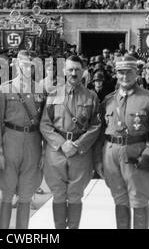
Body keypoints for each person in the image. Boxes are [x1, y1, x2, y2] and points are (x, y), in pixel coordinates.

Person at [98, 54, 149, 229]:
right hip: (112, 154)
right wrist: (99, 159)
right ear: (116, 74)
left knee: (139, 199)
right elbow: (100, 130)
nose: (124, 76)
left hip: (137, 154)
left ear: (136, 73)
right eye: (121, 72)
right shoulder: (108, 100)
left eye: (128, 72)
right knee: (120, 199)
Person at [40, 55, 102, 229]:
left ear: (83, 72)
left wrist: (78, 145)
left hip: (80, 152)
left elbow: (96, 125)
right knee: (58, 194)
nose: (73, 73)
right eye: (70, 70)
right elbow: (45, 124)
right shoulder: (53, 95)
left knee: (75, 194)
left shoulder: (91, 96)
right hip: (57, 151)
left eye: (77, 69)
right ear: (64, 71)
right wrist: (61, 143)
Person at [0, 50, 46, 229]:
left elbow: (45, 122)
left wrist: (44, 151)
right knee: (7, 191)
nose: (27, 69)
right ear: (16, 66)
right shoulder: (5, 89)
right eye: (24, 65)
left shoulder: (40, 90)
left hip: (33, 142)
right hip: (10, 142)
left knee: (26, 193)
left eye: (31, 66)